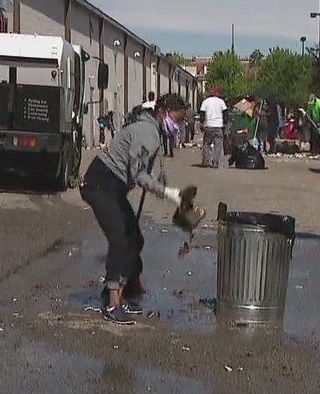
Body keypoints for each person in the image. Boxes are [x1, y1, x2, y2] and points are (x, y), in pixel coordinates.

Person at [80, 93, 197, 325]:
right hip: (100, 185)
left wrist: (164, 184)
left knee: (135, 239)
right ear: (163, 113)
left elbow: (148, 168)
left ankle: (124, 289)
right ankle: (113, 304)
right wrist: (167, 193)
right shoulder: (147, 133)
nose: (178, 126)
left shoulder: (153, 131)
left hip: (112, 187)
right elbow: (138, 174)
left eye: (181, 121)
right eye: (176, 119)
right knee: (121, 241)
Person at [198, 88, 228, 168]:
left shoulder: (205, 101)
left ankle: (207, 160)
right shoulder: (221, 102)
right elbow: (225, 113)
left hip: (208, 125)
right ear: (217, 94)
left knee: (206, 144)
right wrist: (225, 123)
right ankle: (215, 162)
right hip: (218, 126)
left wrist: (201, 123)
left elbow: (202, 113)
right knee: (218, 145)